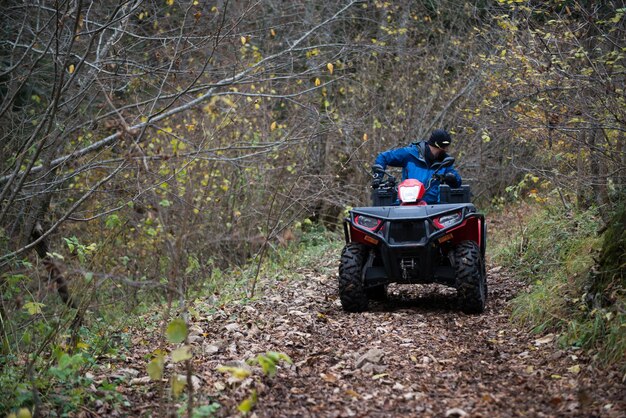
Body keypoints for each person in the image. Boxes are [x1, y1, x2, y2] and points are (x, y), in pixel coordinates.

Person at [372, 129, 462, 204]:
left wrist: (452, 178)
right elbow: (383, 157)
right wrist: (378, 177)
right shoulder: (410, 154)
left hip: (431, 207)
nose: (446, 150)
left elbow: (457, 182)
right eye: (444, 147)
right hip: (405, 204)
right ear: (437, 145)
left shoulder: (444, 161)